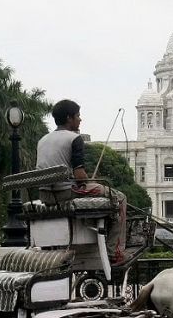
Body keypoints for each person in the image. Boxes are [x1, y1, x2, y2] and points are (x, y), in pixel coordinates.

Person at [36, 99, 128, 263]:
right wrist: (88, 179)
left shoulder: (42, 140)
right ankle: (115, 252)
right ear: (69, 118)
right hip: (65, 192)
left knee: (97, 190)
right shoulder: (74, 138)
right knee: (119, 199)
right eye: (78, 116)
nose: (80, 119)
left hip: (46, 195)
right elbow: (79, 176)